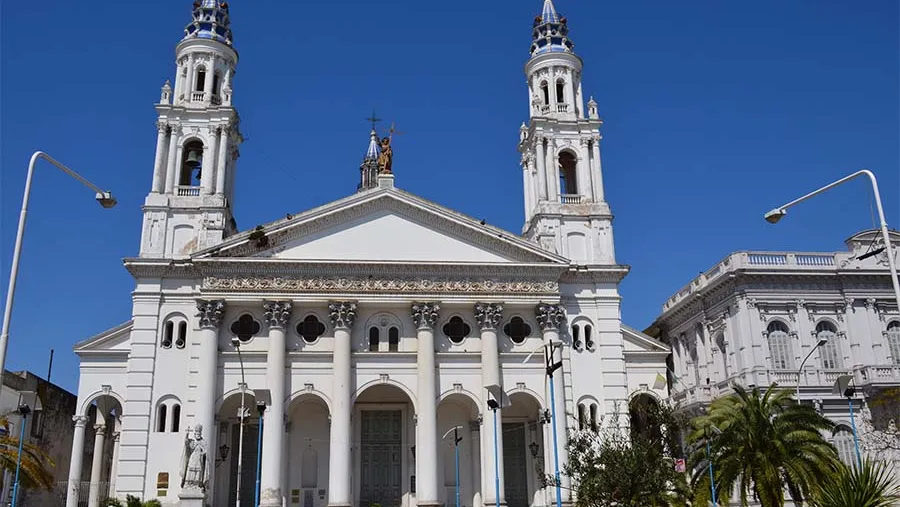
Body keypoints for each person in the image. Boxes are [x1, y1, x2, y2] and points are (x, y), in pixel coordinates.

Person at [180, 425, 208, 491]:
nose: (198, 435)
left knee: (198, 471)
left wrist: (203, 453)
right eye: (196, 433)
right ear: (194, 434)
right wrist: (187, 434)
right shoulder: (192, 441)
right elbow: (187, 444)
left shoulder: (203, 442)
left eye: (199, 434)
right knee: (190, 471)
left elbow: (205, 451)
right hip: (193, 458)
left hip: (199, 459)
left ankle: (197, 484)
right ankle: (189, 484)